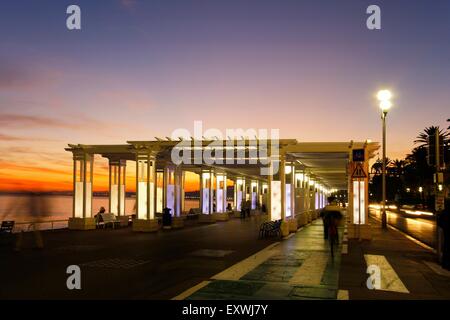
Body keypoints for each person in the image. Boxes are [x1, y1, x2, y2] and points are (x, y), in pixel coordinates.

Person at [437, 190, 450, 270]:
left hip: (447, 231)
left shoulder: (445, 211)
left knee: (447, 247)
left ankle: (446, 264)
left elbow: (440, 222)